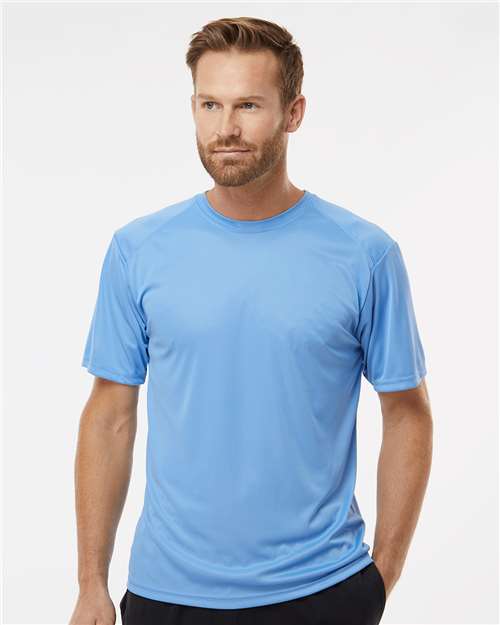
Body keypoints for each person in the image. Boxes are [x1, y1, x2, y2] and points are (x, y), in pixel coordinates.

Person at [69, 16, 433, 625]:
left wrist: (380, 579)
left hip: (322, 589)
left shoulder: (365, 255)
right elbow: (109, 415)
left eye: (249, 105)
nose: (226, 129)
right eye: (210, 104)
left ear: (294, 113)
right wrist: (90, 583)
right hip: (167, 594)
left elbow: (407, 413)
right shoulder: (138, 249)